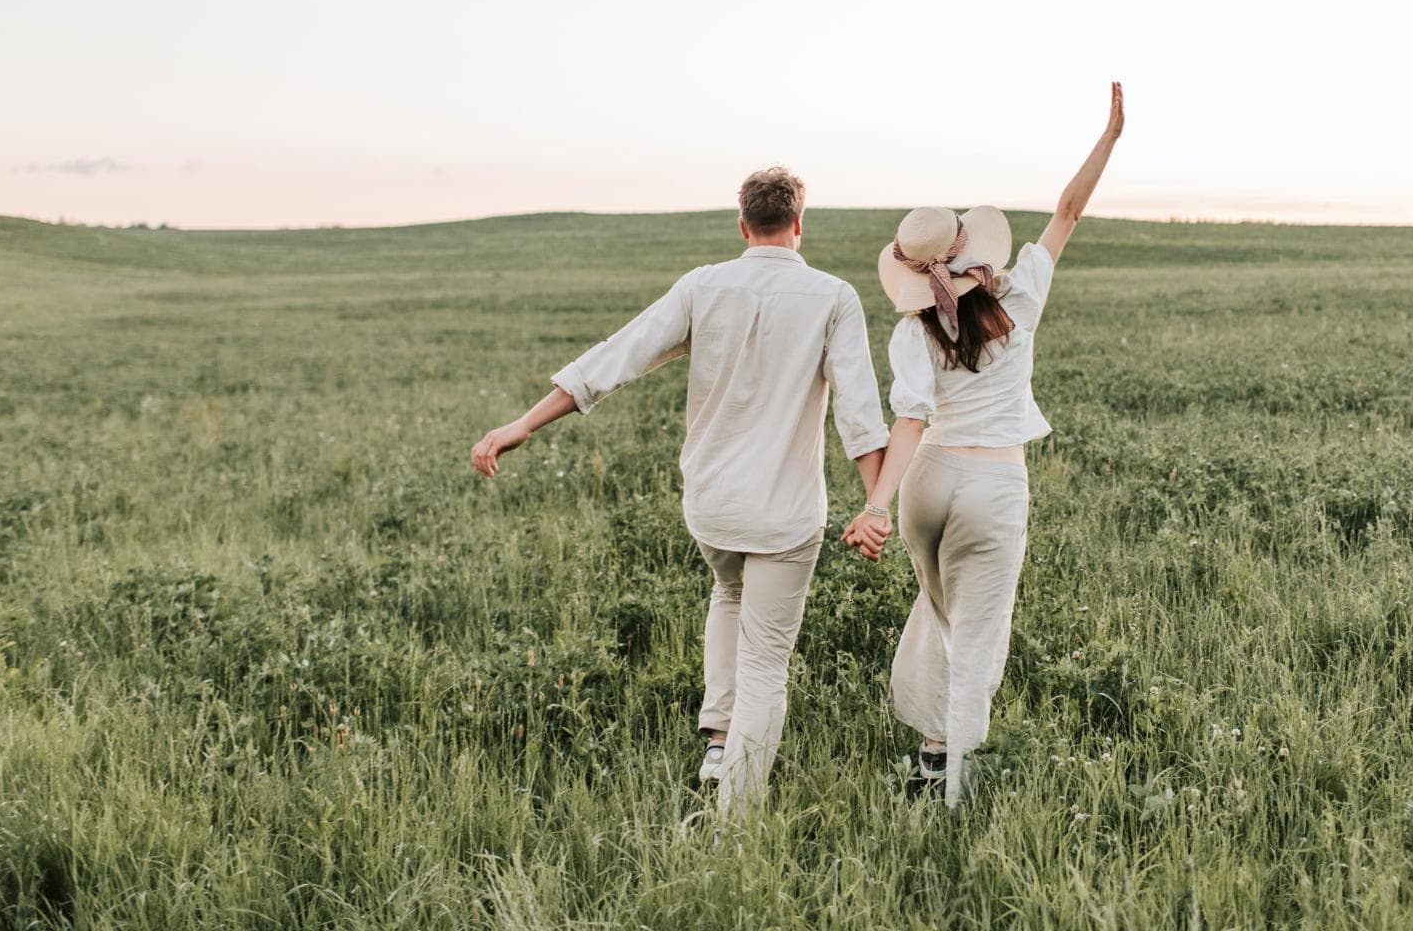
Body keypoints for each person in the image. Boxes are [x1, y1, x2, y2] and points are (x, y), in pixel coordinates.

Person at [471, 167, 890, 816]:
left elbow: (618, 356)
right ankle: (736, 822)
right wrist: (874, 505)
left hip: (713, 507)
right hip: (783, 514)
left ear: (743, 224)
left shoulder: (704, 285)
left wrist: (522, 423)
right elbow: (859, 415)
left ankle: (720, 742)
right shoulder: (832, 296)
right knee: (766, 662)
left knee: (729, 591)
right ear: (800, 223)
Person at [843, 83, 1124, 805]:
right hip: (995, 485)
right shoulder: (1020, 298)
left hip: (928, 485)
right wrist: (1110, 138)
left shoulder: (912, 331)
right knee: (978, 634)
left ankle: (933, 757)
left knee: (941, 613)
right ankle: (954, 792)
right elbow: (1066, 212)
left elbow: (908, 417)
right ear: (971, 250)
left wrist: (878, 503)